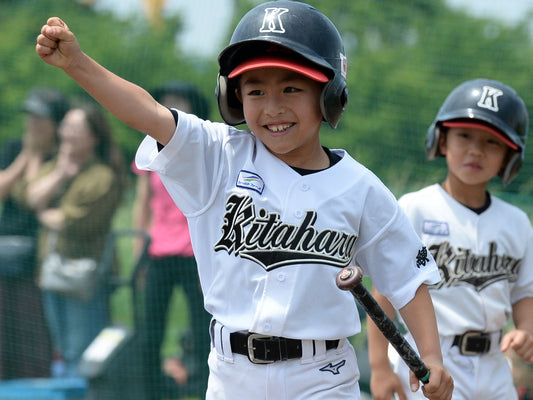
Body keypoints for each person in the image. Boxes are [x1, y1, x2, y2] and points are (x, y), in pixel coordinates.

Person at [35, 2, 454, 399]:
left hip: (322, 376)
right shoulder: (217, 156)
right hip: (233, 374)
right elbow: (149, 112)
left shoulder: (360, 186)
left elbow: (406, 278)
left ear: (329, 93)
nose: (272, 108)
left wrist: (431, 356)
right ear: (233, 98)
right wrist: (78, 65)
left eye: (291, 88)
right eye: (254, 92)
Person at [367, 79, 533, 400]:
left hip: (494, 363)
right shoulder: (415, 208)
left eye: (492, 142)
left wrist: (525, 330)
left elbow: (524, 293)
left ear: (509, 157)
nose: (475, 149)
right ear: (441, 140)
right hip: (428, 359)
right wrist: (379, 367)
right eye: (464, 135)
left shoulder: (517, 223)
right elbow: (383, 295)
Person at [24, 100, 126, 378]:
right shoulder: (58, 165)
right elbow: (31, 196)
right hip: (51, 271)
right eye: (65, 126)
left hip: (85, 278)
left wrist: (44, 212)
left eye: (75, 128)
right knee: (62, 350)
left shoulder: (103, 177)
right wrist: (60, 174)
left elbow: (73, 222)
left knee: (83, 354)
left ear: (94, 137)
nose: (66, 133)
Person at [131, 81, 212, 399]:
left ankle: (208, 388)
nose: (171, 107)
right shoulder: (149, 148)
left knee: (204, 327)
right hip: (159, 252)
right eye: (165, 102)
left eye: (179, 101)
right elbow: (142, 203)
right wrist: (139, 254)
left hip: (195, 253)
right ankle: (151, 391)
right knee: (150, 330)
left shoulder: (205, 145)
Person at [0, 87, 69, 379]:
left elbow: (31, 197)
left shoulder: (64, 155)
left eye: (39, 119)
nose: (32, 125)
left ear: (55, 123)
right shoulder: (16, 148)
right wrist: (27, 156)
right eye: (30, 117)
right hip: (7, 251)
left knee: (33, 330)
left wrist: (39, 161)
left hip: (43, 256)